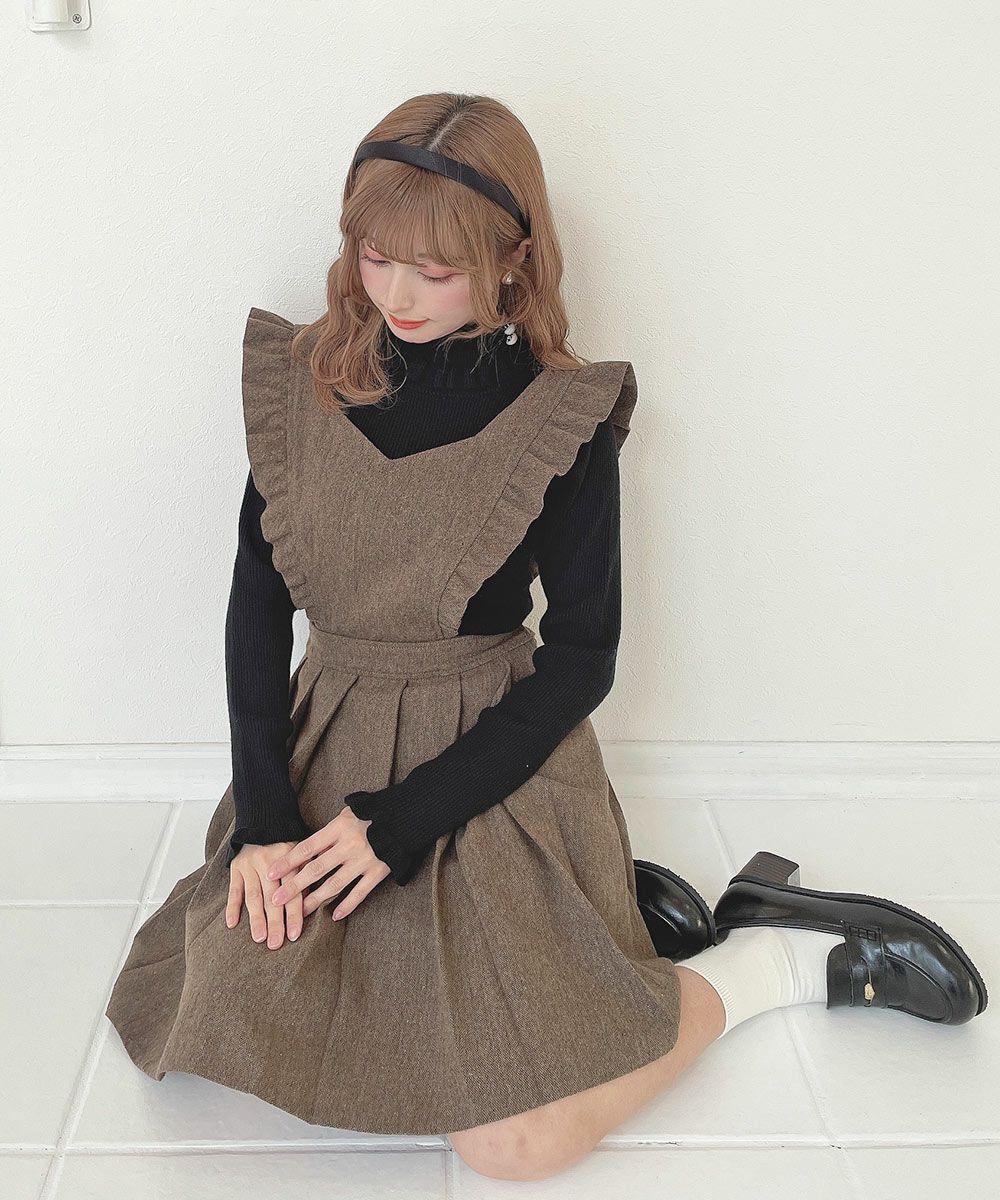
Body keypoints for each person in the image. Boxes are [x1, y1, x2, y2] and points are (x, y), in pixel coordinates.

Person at [103, 92, 988, 1184]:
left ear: (514, 259)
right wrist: (266, 823)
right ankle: (613, 916)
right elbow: (255, 602)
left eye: (437, 270)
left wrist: (399, 824)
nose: (398, 296)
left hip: (484, 761)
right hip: (325, 745)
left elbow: (580, 658)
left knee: (513, 1146)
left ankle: (772, 962)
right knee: (224, 1022)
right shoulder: (306, 380)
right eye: (376, 259)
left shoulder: (558, 417)